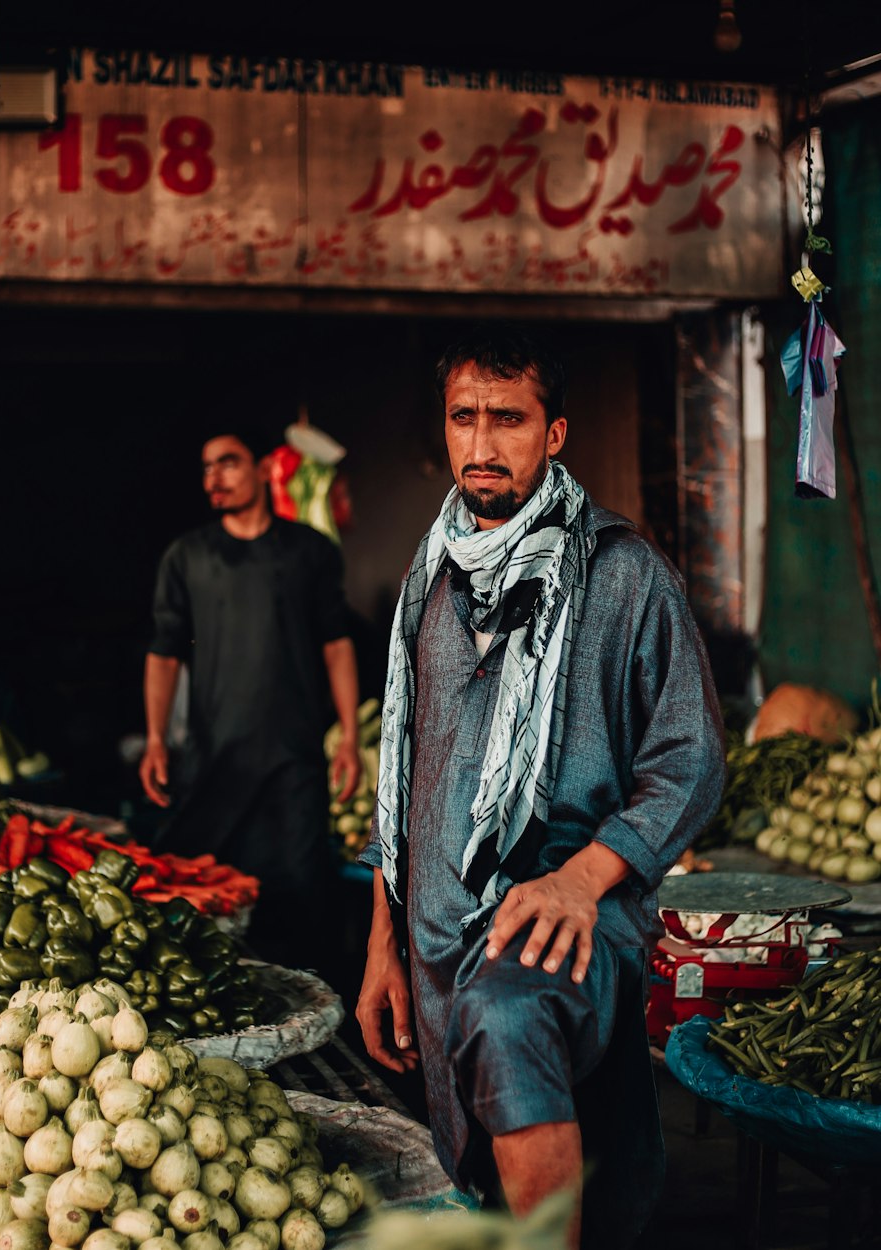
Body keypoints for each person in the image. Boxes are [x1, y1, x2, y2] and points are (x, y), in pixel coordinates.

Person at [355, 325, 725, 1248]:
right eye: (464, 418)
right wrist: (383, 942)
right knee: (488, 1146)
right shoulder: (428, 579)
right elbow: (402, 778)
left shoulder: (627, 575)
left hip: (570, 911)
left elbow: (690, 760)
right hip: (437, 924)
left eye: (509, 419)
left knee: (508, 1018)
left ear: (554, 433)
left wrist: (583, 878)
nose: (482, 445)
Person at [140, 430, 360, 970]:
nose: (214, 476)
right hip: (217, 761)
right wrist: (154, 738)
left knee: (305, 907)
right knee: (207, 908)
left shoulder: (310, 552)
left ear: (263, 469)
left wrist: (351, 737)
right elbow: (164, 654)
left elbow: (337, 645)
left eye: (228, 462)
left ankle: (314, 1021)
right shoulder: (186, 557)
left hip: (294, 763)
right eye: (207, 466)